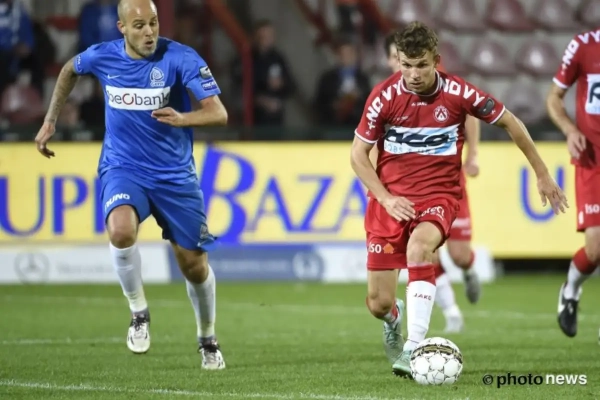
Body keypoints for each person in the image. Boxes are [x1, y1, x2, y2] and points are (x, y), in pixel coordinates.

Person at [351, 22, 568, 378]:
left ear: (436, 60)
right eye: (406, 65)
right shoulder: (383, 96)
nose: (413, 74)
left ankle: (413, 347)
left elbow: (511, 122)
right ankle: (394, 319)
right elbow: (358, 155)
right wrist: (385, 198)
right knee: (379, 303)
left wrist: (542, 173)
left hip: (438, 195)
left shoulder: (458, 92)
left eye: (421, 65)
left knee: (420, 248)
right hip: (391, 202)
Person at [34, 0, 227, 370]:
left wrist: (183, 118)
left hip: (174, 176)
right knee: (121, 231)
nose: (149, 32)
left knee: (194, 265)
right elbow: (69, 69)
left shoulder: (181, 58)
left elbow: (218, 113)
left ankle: (208, 338)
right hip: (123, 167)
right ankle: (139, 313)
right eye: (139, 26)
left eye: (153, 23)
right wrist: (50, 119)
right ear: (122, 28)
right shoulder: (102, 56)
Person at [382, 32, 481, 333]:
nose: (403, 66)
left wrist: (473, 154)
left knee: (459, 255)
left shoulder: (438, 84)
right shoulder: (386, 96)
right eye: (397, 59)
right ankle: (452, 313)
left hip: (448, 186)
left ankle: (468, 269)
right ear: (392, 61)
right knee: (424, 250)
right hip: (413, 191)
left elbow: (471, 113)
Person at [546, 27, 600, 340]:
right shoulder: (584, 45)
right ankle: (571, 289)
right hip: (593, 160)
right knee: (595, 248)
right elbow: (554, 97)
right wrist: (569, 130)